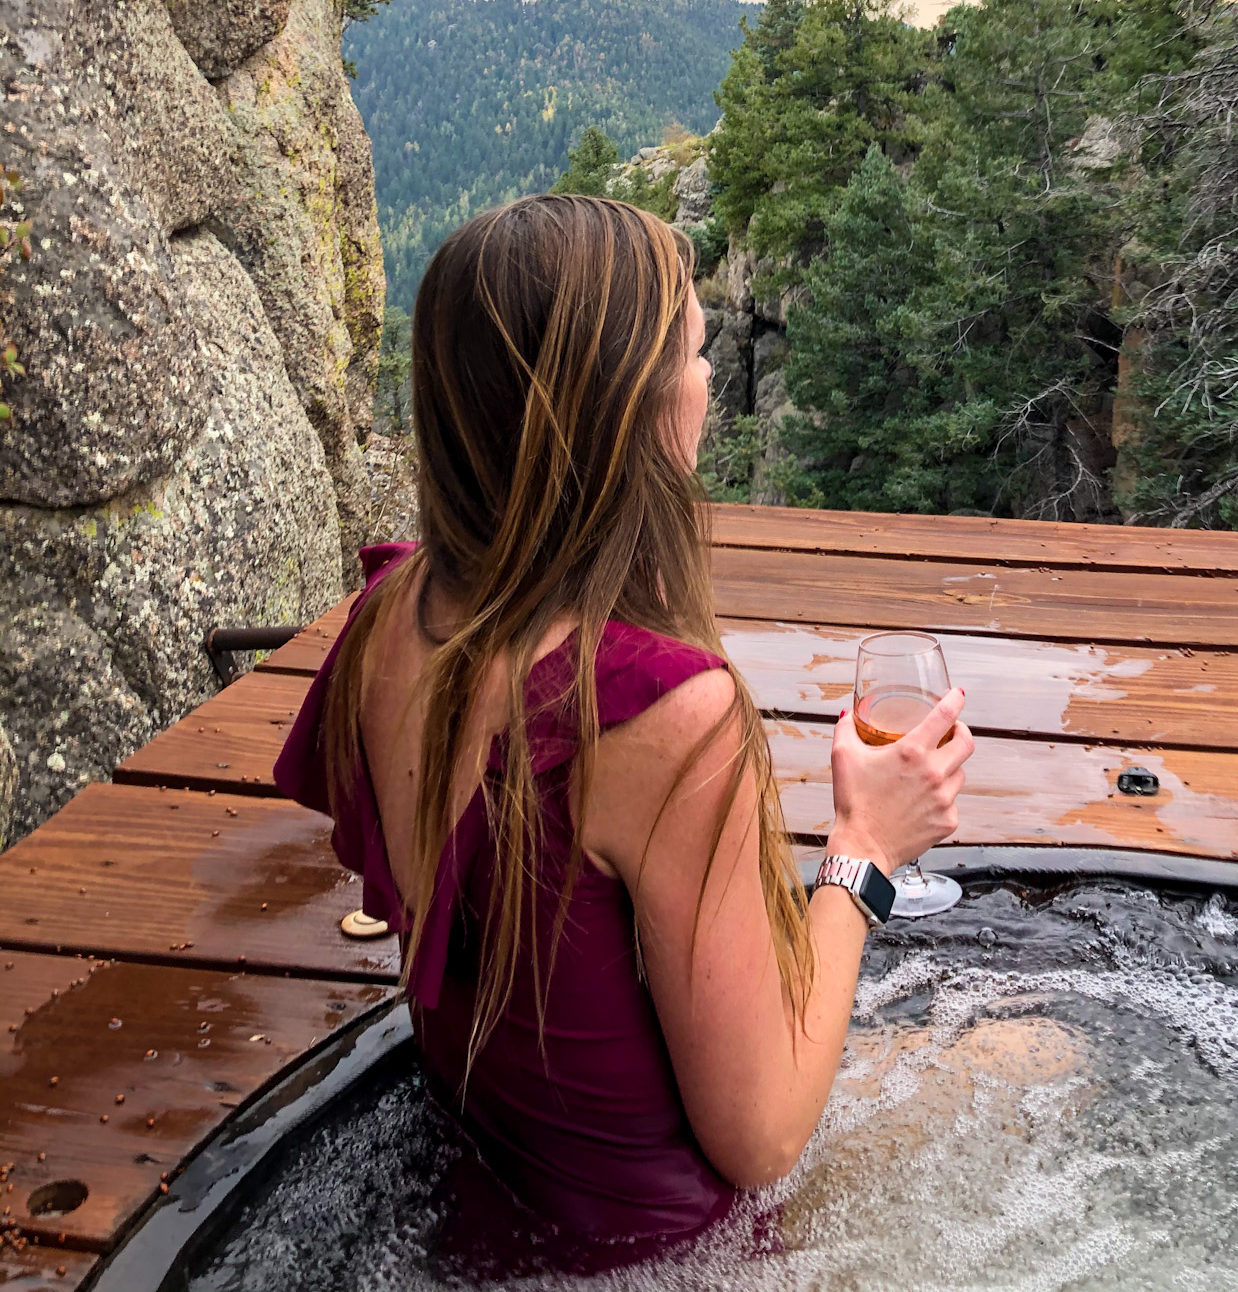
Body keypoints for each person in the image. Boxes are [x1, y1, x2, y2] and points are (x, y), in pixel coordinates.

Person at [275, 194, 973, 1254]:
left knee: (1013, 1051)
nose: (709, 386)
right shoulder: (659, 711)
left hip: (491, 1201)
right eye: (693, 352)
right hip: (665, 1259)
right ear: (632, 409)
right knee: (1045, 1052)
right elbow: (764, 1139)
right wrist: (865, 853)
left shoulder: (388, 616)